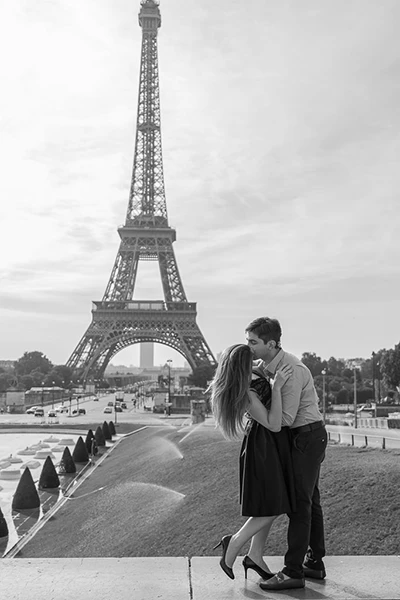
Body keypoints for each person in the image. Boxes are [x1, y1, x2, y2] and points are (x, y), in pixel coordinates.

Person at [245, 317, 328, 591]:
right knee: (310, 502)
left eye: (253, 342)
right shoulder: (272, 366)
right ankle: (314, 563)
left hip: (304, 437)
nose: (249, 347)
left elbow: (284, 419)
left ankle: (293, 571)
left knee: (299, 507)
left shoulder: (288, 370)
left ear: (271, 343)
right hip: (307, 437)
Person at [210, 344, 295, 580]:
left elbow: (267, 363)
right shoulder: (247, 392)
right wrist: (276, 388)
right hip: (263, 447)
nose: (257, 359)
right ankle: (234, 543)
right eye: (251, 359)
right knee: (275, 506)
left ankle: (255, 556)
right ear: (242, 366)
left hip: (271, 446)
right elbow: (273, 423)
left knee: (268, 504)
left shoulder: (254, 373)